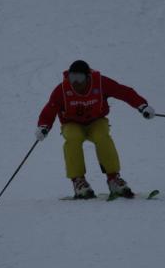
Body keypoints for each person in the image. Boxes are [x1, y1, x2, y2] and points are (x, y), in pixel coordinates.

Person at [36, 60, 155, 198]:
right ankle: (78, 181)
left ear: (88, 77)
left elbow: (123, 92)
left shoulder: (100, 83)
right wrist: (44, 126)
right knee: (73, 137)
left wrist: (142, 106)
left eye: (79, 78)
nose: (75, 82)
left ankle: (113, 179)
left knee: (102, 136)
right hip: (71, 123)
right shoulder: (62, 90)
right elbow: (50, 109)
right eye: (72, 77)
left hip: (96, 121)